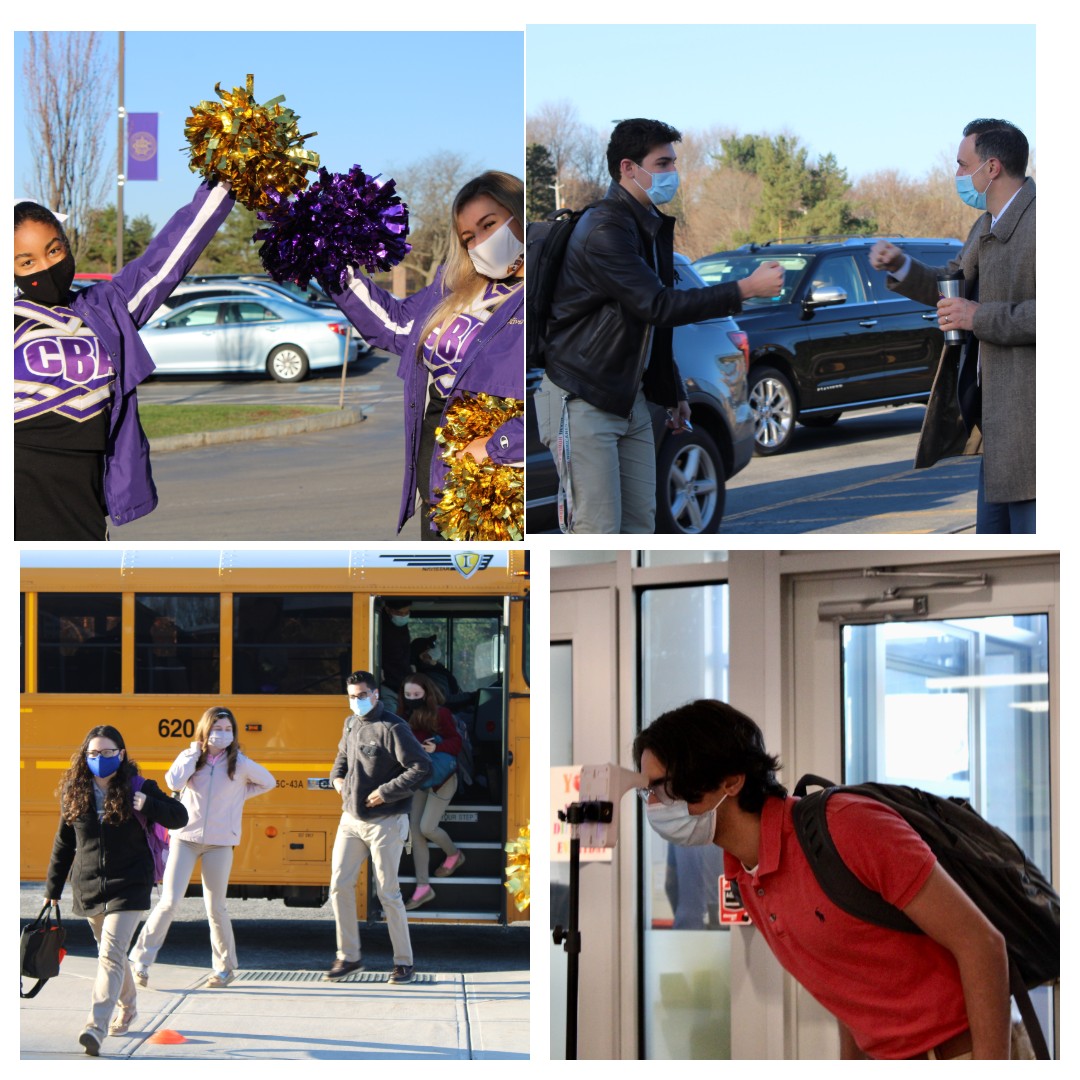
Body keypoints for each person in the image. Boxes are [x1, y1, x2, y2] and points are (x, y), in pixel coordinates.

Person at [633, 700, 1011, 1059]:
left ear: (731, 781)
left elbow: (982, 944)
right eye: (647, 793)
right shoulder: (743, 872)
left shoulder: (847, 826)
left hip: (960, 1054)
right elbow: (847, 982)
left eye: (664, 789)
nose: (653, 806)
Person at [535, 118, 784, 534]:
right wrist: (745, 287)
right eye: (663, 163)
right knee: (597, 531)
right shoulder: (603, 229)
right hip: (581, 399)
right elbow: (658, 306)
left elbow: (646, 324)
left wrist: (671, 392)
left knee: (639, 527)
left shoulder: (647, 225)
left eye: (673, 163)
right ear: (628, 168)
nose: (673, 174)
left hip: (627, 400)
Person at [14, 182, 235, 539]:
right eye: (27, 262)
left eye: (53, 251)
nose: (45, 266)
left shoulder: (106, 307)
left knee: (86, 591)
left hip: (84, 499)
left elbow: (166, 260)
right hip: (18, 496)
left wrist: (223, 184)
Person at [327, 171, 524, 539]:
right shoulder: (453, 285)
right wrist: (330, 260)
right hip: (438, 489)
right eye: (469, 237)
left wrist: (498, 447)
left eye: (489, 225)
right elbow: (394, 326)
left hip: (495, 496)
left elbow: (555, 392)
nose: (480, 242)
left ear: (517, 213)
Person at [869, 119, 1035, 534]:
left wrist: (976, 317)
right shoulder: (984, 226)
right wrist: (900, 265)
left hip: (1033, 438)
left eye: (963, 165)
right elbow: (952, 285)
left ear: (992, 167)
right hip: (996, 433)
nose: (957, 176)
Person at [44, 725, 189, 1056]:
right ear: (85, 757)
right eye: (93, 753)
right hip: (89, 887)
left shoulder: (139, 787)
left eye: (108, 753)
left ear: (121, 754)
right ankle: (128, 1005)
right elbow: (64, 843)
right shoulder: (75, 792)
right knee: (111, 952)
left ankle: (95, 1026)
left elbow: (179, 817)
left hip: (130, 885)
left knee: (110, 952)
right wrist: (52, 886)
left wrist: (148, 804)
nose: (100, 759)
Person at [128, 707, 275, 988]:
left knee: (216, 907)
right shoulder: (190, 758)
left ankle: (224, 969)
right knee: (169, 901)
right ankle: (141, 962)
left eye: (228, 729)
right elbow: (173, 781)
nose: (223, 734)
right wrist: (193, 754)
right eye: (217, 729)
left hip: (220, 843)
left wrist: (240, 795)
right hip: (185, 838)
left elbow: (268, 782)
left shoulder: (239, 763)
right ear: (205, 731)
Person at [327, 670, 431, 982]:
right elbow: (340, 761)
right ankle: (349, 957)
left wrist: (385, 792)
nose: (356, 701)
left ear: (375, 695)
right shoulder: (350, 724)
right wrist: (337, 781)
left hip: (386, 822)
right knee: (339, 886)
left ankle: (404, 963)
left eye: (361, 695)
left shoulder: (393, 727)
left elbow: (420, 766)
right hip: (351, 820)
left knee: (388, 892)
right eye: (351, 697)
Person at [401, 673, 466, 910]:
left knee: (427, 827)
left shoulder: (442, 714)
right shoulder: (402, 717)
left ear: (426, 694)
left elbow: (456, 743)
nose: (412, 699)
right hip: (419, 779)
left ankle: (455, 854)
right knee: (415, 832)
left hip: (442, 778)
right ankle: (423, 887)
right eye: (408, 695)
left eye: (416, 695)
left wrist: (436, 746)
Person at [378, 597, 413, 711]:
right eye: (399, 613)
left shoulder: (400, 627)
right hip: (388, 683)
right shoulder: (379, 626)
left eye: (406, 612)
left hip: (400, 682)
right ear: (388, 610)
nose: (403, 616)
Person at [409, 634, 464, 702]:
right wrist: (471, 697)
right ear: (421, 656)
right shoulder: (431, 675)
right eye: (429, 649)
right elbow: (445, 700)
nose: (434, 649)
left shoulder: (438, 669)